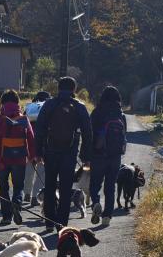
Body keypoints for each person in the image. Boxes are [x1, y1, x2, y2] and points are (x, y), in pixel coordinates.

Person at [35, 77, 92, 232]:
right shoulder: (79, 107)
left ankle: (48, 222)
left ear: (58, 88)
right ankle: (62, 224)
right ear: (74, 89)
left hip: (50, 151)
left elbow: (39, 129)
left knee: (50, 185)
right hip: (69, 152)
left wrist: (38, 152)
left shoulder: (49, 104)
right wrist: (85, 156)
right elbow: (88, 132)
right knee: (66, 188)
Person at [0, 89, 35, 226]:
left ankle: (6, 217)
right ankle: (16, 205)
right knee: (18, 187)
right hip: (19, 160)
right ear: (18, 103)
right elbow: (31, 138)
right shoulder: (24, 119)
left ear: (2, 104)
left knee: (4, 188)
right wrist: (32, 156)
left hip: (2, 161)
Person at [89, 86, 127, 227]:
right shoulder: (120, 114)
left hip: (98, 154)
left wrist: (87, 153)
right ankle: (107, 216)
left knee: (95, 184)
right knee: (110, 186)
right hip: (115, 157)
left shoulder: (97, 112)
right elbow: (124, 136)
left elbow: (89, 133)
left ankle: (96, 204)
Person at [23, 91, 51, 206]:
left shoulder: (30, 109)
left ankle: (27, 194)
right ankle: (35, 196)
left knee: (29, 170)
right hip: (44, 144)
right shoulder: (49, 108)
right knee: (41, 172)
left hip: (29, 144)